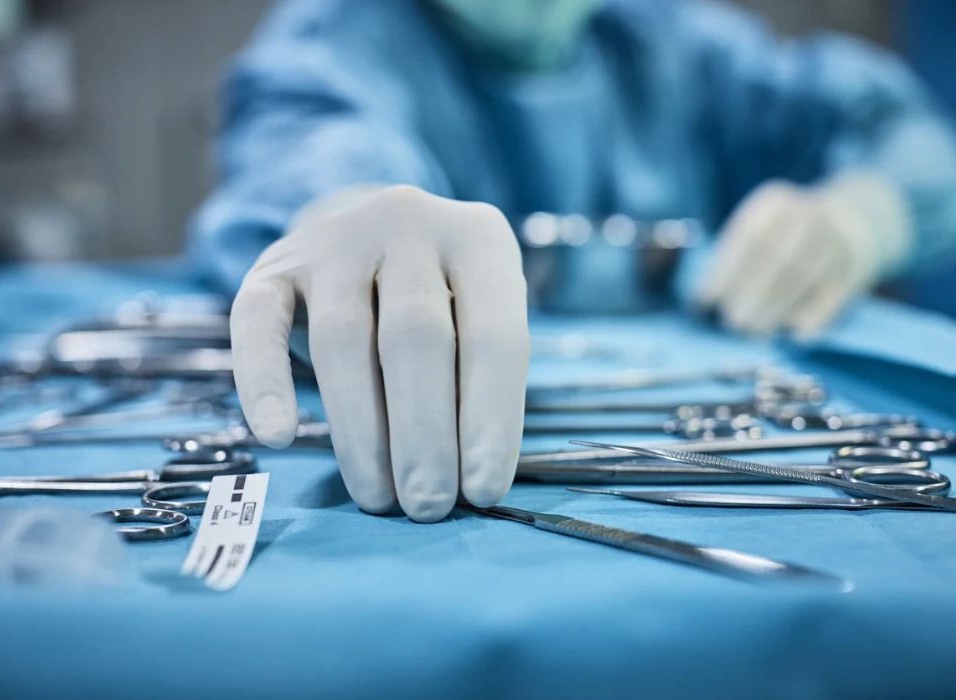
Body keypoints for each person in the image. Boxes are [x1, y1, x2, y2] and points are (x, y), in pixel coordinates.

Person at [191, 0, 956, 522]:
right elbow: (310, 140)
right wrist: (346, 209)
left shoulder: (664, 38)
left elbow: (910, 139)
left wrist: (867, 212)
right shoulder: (341, 43)